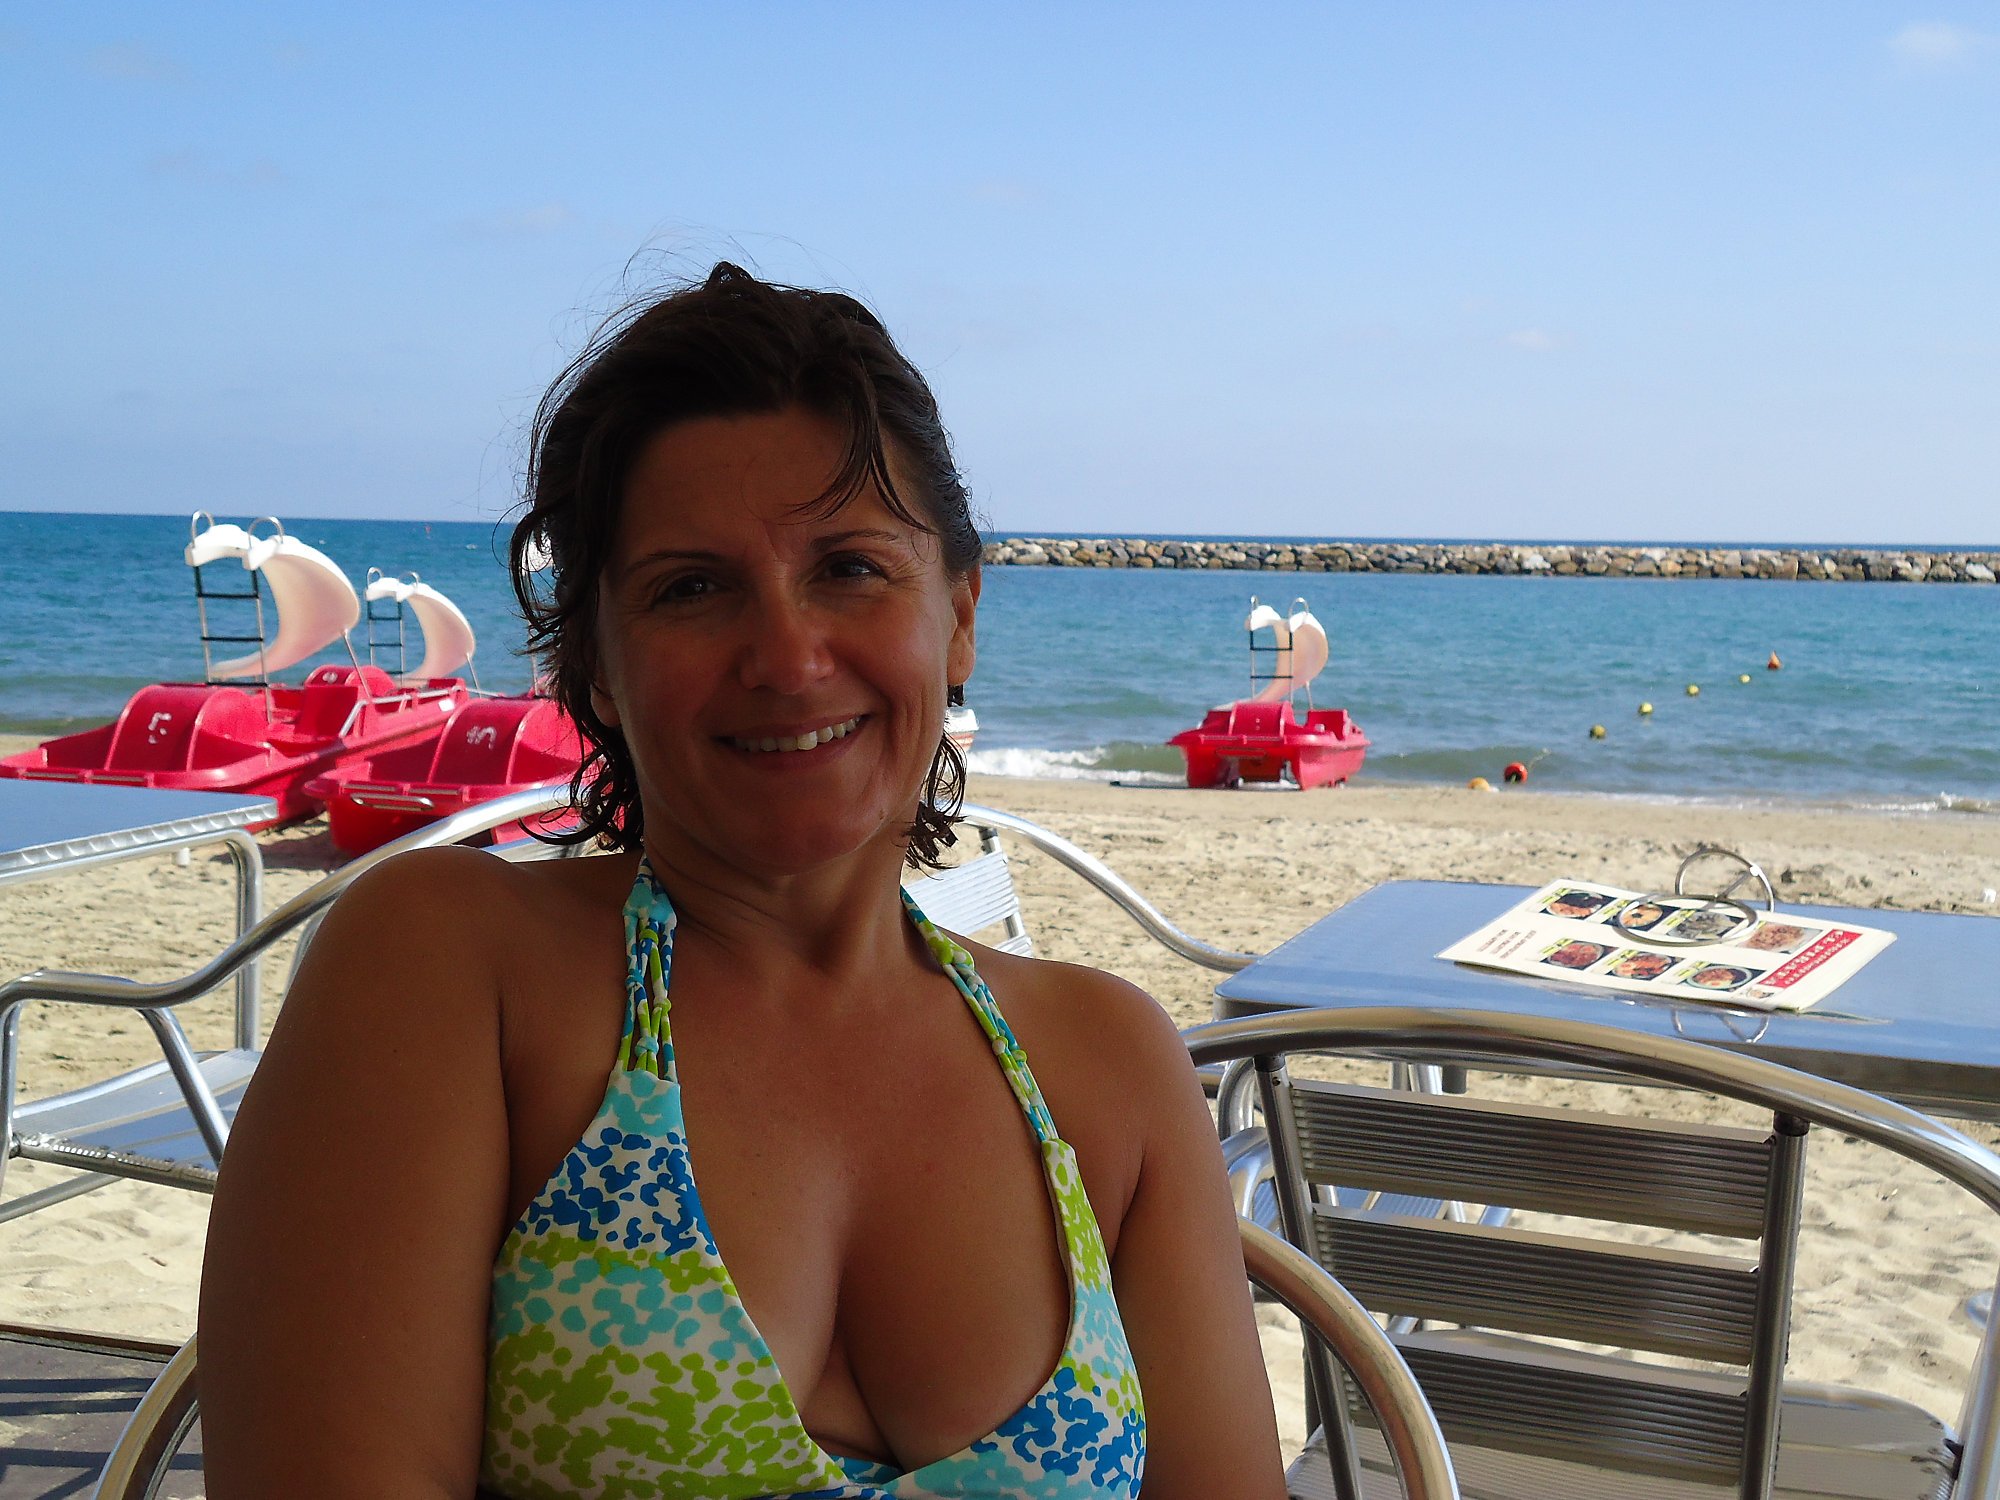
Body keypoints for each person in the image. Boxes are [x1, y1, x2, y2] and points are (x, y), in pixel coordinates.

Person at [200, 264, 1286, 1498]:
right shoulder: (451, 971)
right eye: (691, 588)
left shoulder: (1108, 1065)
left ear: (958, 618)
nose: (786, 655)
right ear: (595, 668)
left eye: (850, 569)